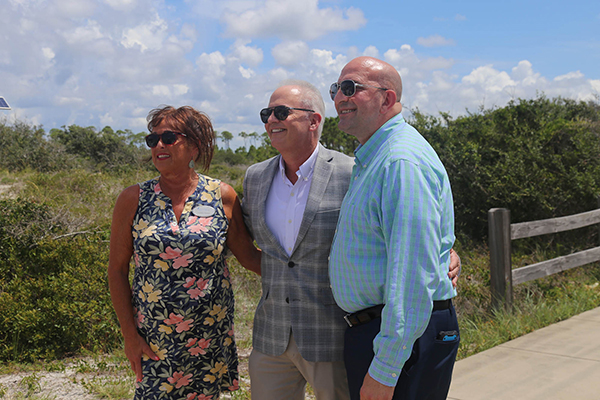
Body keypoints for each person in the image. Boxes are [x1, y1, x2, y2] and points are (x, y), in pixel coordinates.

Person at [241, 80, 461, 400]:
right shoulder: (254, 177)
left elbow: (408, 226)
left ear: (314, 120)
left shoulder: (353, 170)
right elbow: (246, 241)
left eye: (280, 112)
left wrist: (447, 253)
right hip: (270, 335)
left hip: (332, 335)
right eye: (266, 113)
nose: (270, 120)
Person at [328, 56, 460, 400]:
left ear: (387, 99)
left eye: (350, 88)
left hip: (400, 338)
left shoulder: (400, 161)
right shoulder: (378, 156)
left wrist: (385, 369)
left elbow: (412, 275)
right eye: (336, 89)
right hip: (386, 333)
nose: (340, 98)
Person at [108, 105, 261, 400]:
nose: (159, 146)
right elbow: (116, 270)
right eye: (152, 140)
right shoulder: (133, 199)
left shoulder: (221, 195)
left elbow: (249, 257)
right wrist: (130, 335)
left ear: (194, 145)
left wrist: (304, 270)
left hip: (209, 335)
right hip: (155, 338)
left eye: (169, 137)